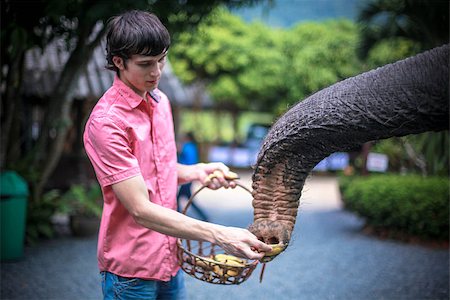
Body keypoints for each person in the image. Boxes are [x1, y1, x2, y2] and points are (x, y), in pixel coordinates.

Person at [83, 10, 271, 300]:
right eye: (145, 64)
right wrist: (221, 234)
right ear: (118, 62)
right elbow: (140, 209)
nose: (157, 72)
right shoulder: (107, 123)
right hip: (131, 272)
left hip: (171, 259)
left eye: (161, 59)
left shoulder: (160, 102)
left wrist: (198, 171)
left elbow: (158, 171)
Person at [176, 132, 208, 221]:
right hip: (191, 175)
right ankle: (203, 217)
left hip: (187, 175)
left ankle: (178, 217)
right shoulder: (193, 146)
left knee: (183, 199)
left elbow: (180, 153)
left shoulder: (186, 147)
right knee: (187, 198)